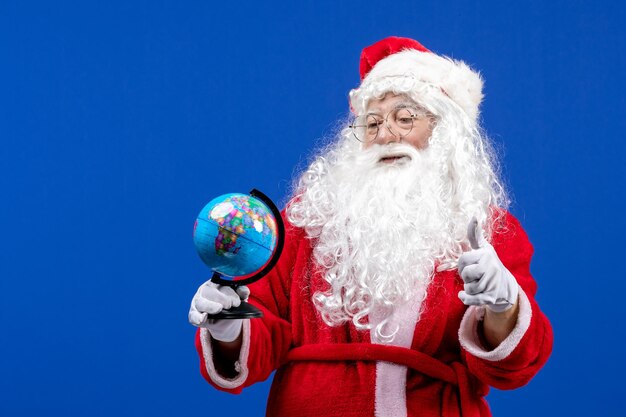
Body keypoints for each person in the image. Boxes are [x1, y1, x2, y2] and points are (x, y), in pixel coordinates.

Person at [189, 36, 553, 417]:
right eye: (373, 122)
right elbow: (259, 329)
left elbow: (512, 368)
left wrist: (503, 306)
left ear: (445, 132)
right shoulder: (305, 220)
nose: (385, 135)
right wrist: (227, 328)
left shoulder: (489, 230)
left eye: (404, 118)